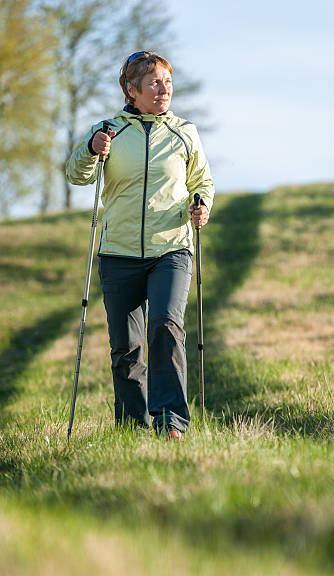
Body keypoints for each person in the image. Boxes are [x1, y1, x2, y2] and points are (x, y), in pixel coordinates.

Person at [66, 51, 214, 440]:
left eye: (167, 81)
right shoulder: (110, 130)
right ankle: (132, 428)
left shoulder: (185, 132)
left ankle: (171, 423)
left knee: (165, 326)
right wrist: (91, 149)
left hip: (172, 248)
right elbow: (77, 175)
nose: (163, 89)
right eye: (154, 83)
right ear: (132, 90)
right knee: (126, 348)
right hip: (119, 252)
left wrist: (201, 206)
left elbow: (202, 182)